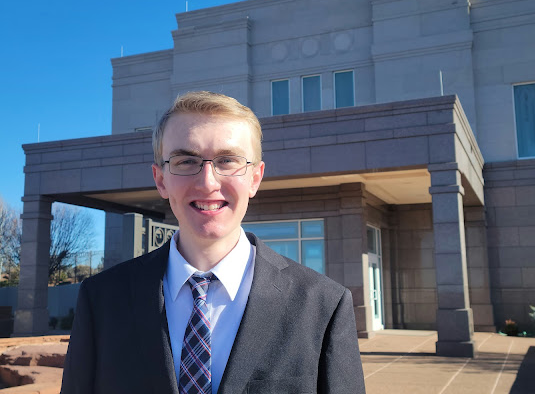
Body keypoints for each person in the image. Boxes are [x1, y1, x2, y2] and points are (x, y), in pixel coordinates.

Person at [61, 91, 366, 394]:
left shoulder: (324, 305)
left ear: (255, 178)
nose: (208, 182)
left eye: (227, 160)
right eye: (185, 160)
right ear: (161, 180)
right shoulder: (101, 300)